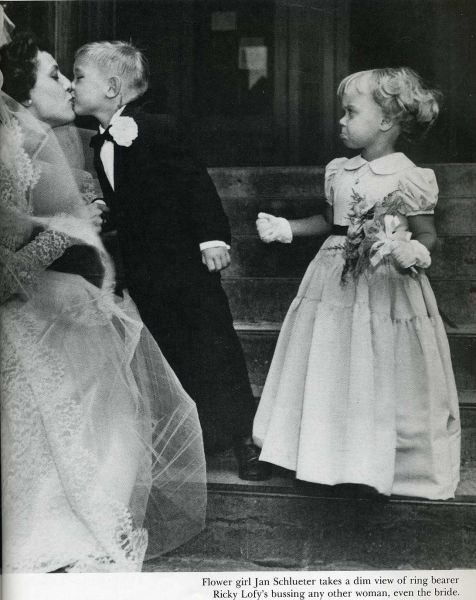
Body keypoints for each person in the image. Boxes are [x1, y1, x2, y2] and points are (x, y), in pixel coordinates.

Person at [0, 30, 206, 573]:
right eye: (55, 75)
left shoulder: (50, 149)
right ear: (21, 96)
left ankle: (86, 511)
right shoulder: (7, 159)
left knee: (108, 379)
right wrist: (67, 231)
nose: (68, 86)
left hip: (57, 296)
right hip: (22, 310)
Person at [253, 67, 461, 500]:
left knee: (377, 364)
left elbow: (427, 233)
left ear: (385, 121)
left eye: (351, 113)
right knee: (331, 360)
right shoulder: (339, 171)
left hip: (385, 280)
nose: (341, 121)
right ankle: (320, 453)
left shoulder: (409, 176)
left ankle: (375, 460)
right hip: (333, 278)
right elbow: (331, 221)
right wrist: (287, 228)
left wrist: (414, 250)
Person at [71, 40, 271, 480]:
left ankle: (245, 437)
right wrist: (107, 210)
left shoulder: (158, 128)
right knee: (171, 349)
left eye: (78, 77)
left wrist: (213, 238)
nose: (71, 85)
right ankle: (199, 435)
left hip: (185, 267)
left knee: (213, 345)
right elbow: (135, 199)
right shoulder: (101, 143)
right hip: (147, 271)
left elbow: (194, 185)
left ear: (111, 88)